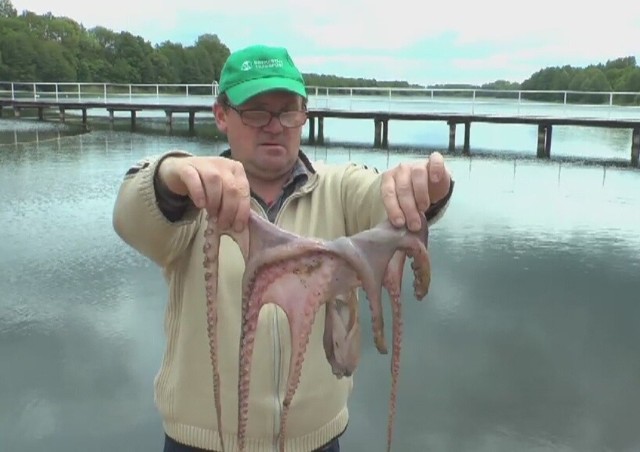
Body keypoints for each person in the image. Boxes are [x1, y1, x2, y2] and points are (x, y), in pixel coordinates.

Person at [112, 44, 454, 452]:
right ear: (221, 114)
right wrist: (172, 174)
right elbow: (133, 214)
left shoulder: (339, 187)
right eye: (256, 111)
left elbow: (384, 199)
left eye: (288, 111)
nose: (274, 125)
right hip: (201, 443)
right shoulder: (193, 201)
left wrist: (425, 189)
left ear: (304, 115)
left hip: (317, 442)